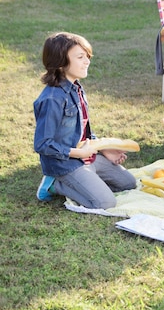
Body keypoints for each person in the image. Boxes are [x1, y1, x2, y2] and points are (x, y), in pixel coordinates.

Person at [33, 32, 137, 209]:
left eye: (87, 56)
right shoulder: (52, 99)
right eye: (80, 57)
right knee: (105, 202)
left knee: (127, 183)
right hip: (64, 164)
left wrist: (104, 151)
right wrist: (79, 154)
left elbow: (83, 132)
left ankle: (87, 179)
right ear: (60, 62)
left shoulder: (76, 88)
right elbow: (42, 144)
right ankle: (54, 185)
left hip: (86, 157)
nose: (87, 61)